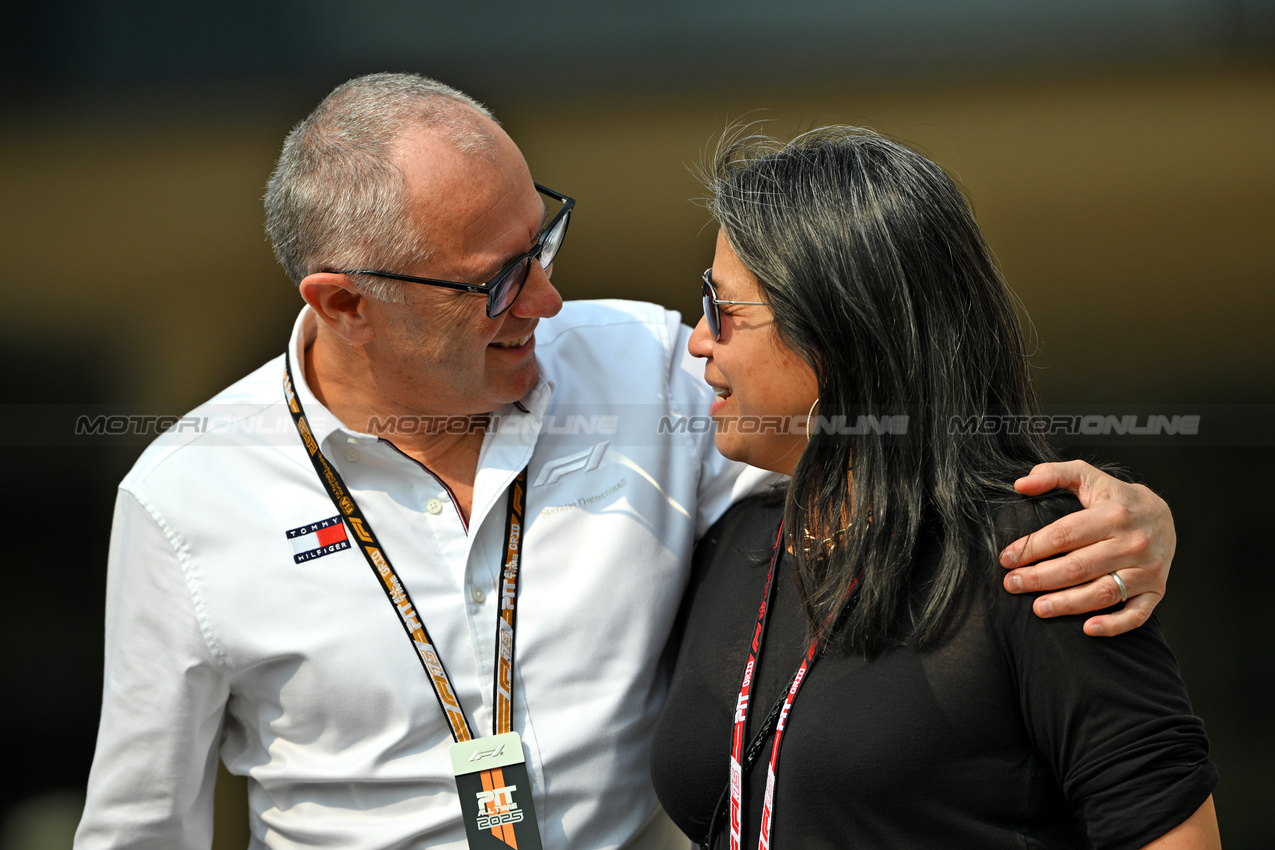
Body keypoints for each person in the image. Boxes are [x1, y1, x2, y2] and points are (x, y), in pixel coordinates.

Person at [76, 74, 1178, 850]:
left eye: (542, 241)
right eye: (497, 281)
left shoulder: (649, 371)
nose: (549, 299)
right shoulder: (187, 499)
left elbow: (890, 461)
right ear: (345, 302)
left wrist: (1126, 510)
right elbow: (137, 829)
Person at [650, 126, 1219, 848]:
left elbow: (1168, 832)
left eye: (719, 307)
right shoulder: (737, 540)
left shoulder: (1036, 553)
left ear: (836, 327)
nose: (698, 340)